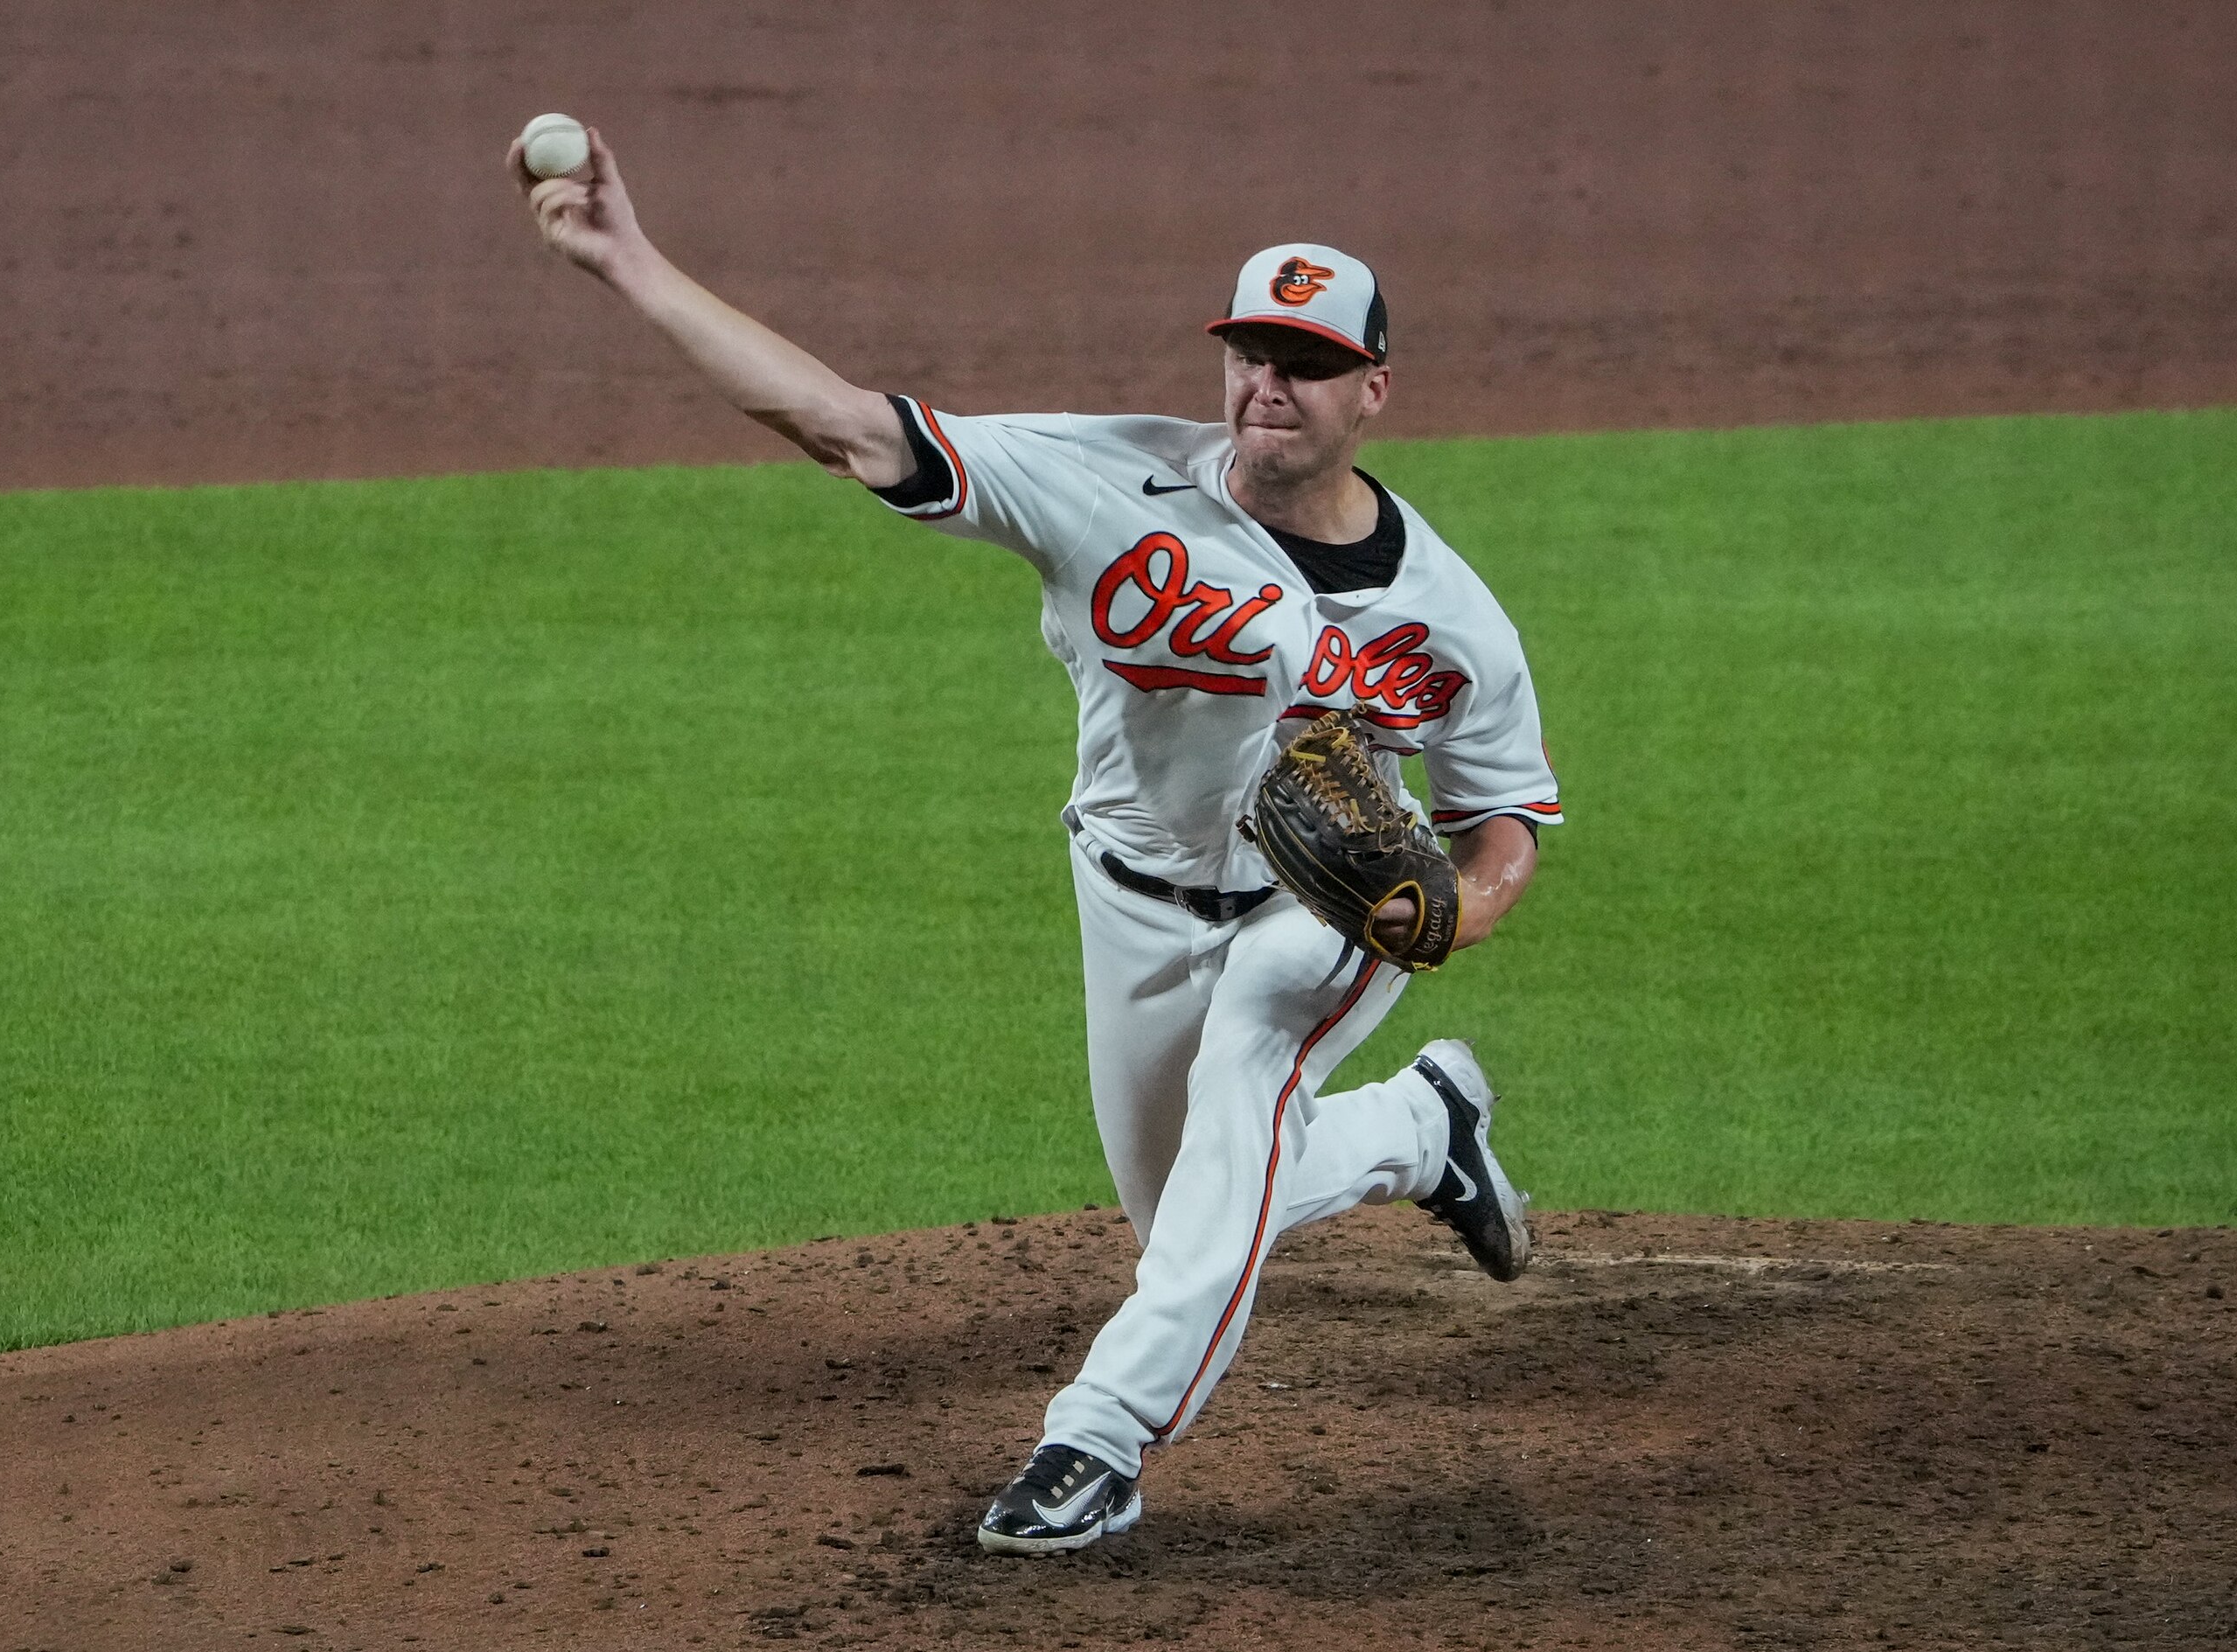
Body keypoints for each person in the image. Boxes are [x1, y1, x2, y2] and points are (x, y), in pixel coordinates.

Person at [512, 129, 1562, 1557]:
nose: (1269, 383)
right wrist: (631, 263)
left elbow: (1504, 818)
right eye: (1250, 352)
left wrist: (1450, 914)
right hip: (1123, 890)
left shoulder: (1453, 618)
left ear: (1371, 389)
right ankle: (1421, 1129)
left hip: (1307, 915)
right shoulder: (1100, 481)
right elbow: (839, 425)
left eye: (1306, 361)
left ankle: (1097, 1442)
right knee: (1189, 1206)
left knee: (1253, 1051)